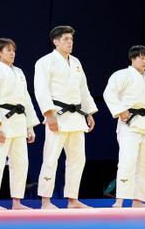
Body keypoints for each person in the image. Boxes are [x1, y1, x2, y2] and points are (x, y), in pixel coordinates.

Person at [34, 25, 97, 209]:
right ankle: (46, 200)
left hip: (77, 116)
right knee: (51, 157)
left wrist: (89, 112)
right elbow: (41, 90)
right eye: (66, 39)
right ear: (56, 41)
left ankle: (72, 199)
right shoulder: (45, 62)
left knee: (78, 159)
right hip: (57, 116)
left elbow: (83, 89)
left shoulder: (76, 62)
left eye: (71, 39)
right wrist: (48, 114)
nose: (70, 42)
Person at [0, 38, 41, 210]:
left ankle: (17, 201)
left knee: (21, 163)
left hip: (19, 122)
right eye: (8, 50)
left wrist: (30, 126)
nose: (12, 53)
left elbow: (26, 100)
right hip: (2, 121)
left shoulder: (19, 72)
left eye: (13, 50)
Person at [103, 45, 145, 208]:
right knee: (127, 162)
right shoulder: (122, 75)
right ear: (132, 58)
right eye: (141, 57)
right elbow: (108, 93)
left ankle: (138, 201)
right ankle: (120, 200)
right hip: (129, 123)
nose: (144, 61)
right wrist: (121, 111)